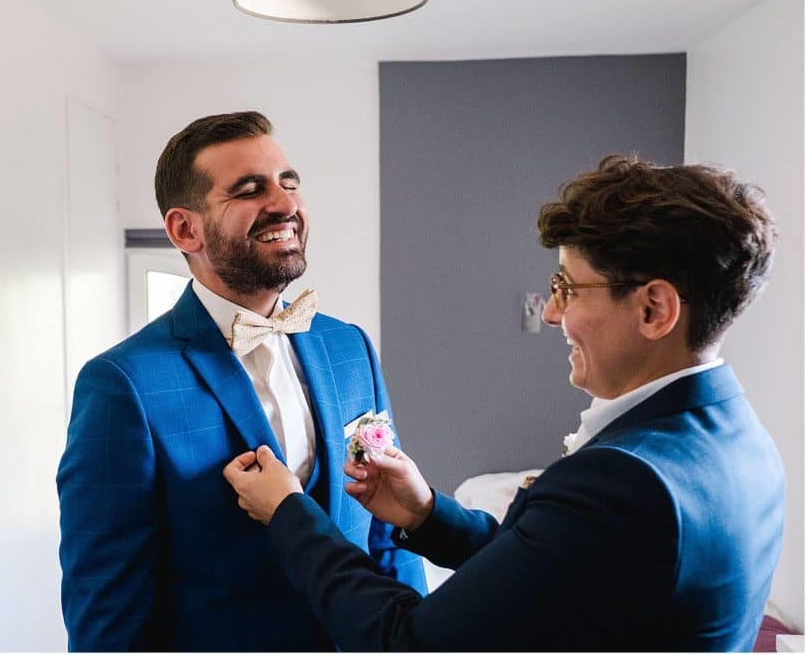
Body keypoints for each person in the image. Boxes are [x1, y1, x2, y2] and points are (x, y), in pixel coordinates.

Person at [224, 155, 785, 651]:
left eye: (568, 287)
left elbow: (409, 642)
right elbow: (549, 575)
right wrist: (426, 514)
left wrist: (290, 514)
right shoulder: (740, 437)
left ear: (654, 309)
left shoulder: (624, 481)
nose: (550, 314)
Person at [57, 111, 426, 651]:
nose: (285, 204)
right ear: (186, 229)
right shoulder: (123, 384)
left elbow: (389, 530)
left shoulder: (350, 348)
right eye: (250, 189)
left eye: (288, 182)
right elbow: (107, 606)